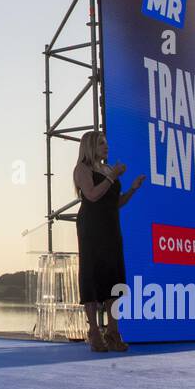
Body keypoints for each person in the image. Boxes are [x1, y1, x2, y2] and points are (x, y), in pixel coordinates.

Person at [73, 130, 145, 352]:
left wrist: (132, 189)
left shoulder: (106, 169)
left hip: (111, 227)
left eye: (107, 143)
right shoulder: (82, 169)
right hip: (91, 227)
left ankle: (113, 332)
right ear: (91, 146)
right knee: (92, 275)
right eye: (102, 143)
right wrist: (112, 176)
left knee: (113, 277)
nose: (107, 146)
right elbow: (92, 195)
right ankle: (94, 332)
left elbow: (115, 203)